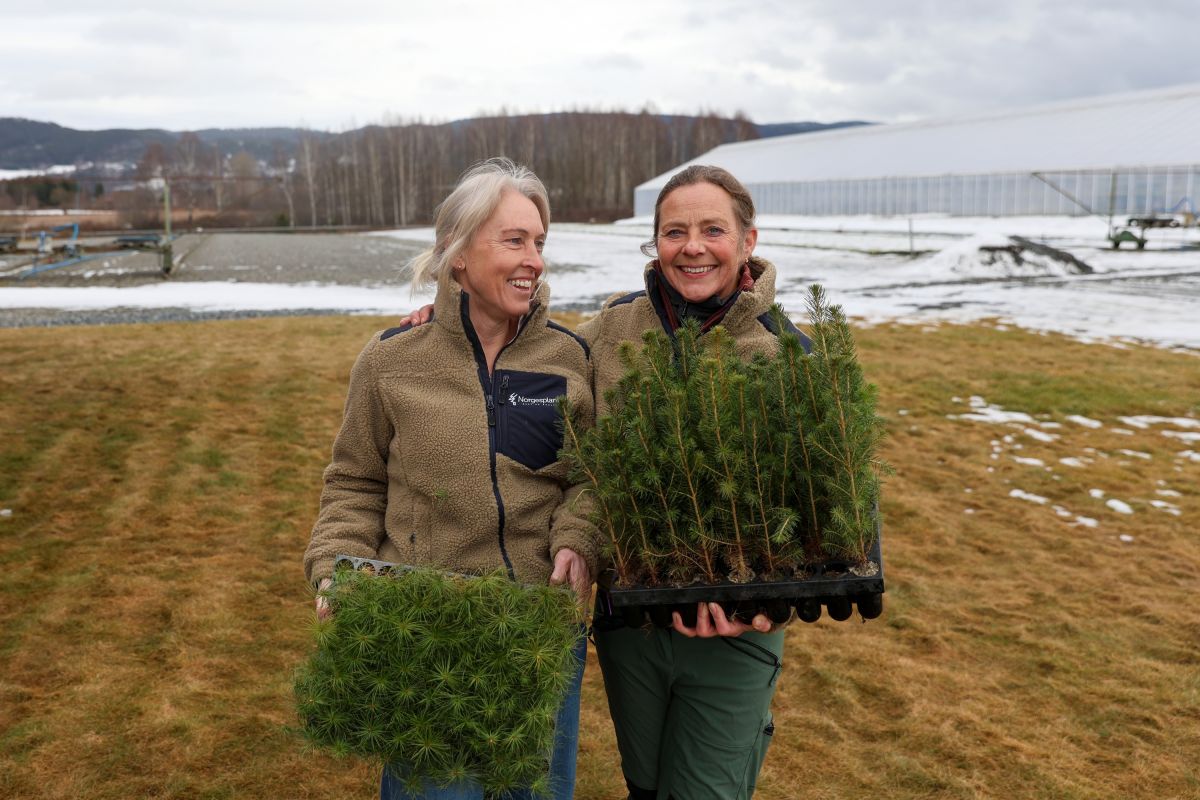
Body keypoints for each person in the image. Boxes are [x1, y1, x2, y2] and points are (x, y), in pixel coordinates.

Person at [303, 157, 600, 800]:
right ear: (457, 254)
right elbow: (354, 480)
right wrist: (336, 562)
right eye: (514, 241)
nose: (535, 260)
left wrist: (578, 536)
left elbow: (590, 476)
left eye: (540, 243)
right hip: (428, 627)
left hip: (537, 627)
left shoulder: (568, 359)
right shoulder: (391, 362)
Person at [578, 165, 809, 800]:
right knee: (645, 787)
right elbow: (527, 358)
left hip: (737, 629)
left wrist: (769, 601)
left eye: (714, 229)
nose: (693, 246)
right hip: (631, 619)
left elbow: (826, 508)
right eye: (674, 231)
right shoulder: (611, 332)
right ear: (656, 243)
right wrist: (446, 317)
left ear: (749, 240)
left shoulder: (789, 353)